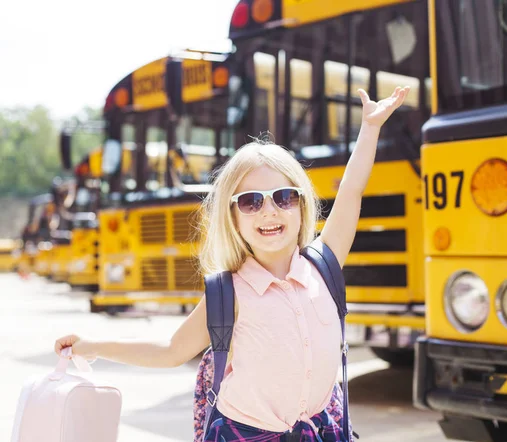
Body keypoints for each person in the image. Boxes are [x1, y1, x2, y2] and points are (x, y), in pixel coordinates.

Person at [54, 86, 410, 441]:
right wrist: (94, 346)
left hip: (319, 431)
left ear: (301, 207)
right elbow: (170, 351)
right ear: (233, 218)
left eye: (283, 197)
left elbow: (350, 191)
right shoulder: (229, 292)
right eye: (251, 201)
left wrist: (370, 128)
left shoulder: (324, 266)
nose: (269, 210)